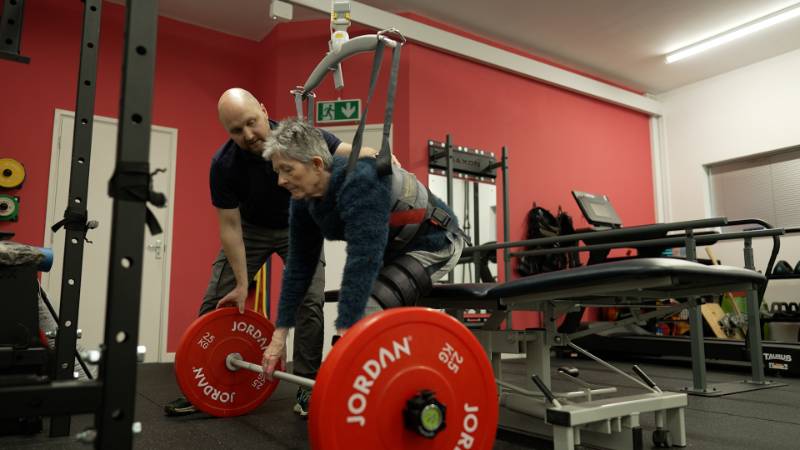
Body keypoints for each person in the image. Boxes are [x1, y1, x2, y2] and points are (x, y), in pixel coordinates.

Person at [165, 88, 376, 418]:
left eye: (251, 122)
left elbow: (343, 151)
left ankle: (307, 385)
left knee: (309, 301)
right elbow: (230, 227)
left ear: (264, 111)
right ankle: (202, 384)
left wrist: (377, 157)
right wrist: (240, 282)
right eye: (236, 130)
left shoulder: (299, 137)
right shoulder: (224, 165)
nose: (248, 135)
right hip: (250, 231)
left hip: (299, 228)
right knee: (216, 299)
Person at [260, 118, 467, 385]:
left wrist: (348, 331)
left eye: (287, 169)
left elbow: (363, 259)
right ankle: (369, 390)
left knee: (363, 318)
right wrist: (279, 335)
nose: (280, 180)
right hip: (393, 250)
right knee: (357, 327)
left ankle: (389, 393)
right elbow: (299, 268)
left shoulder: (361, 182)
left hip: (435, 242)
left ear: (316, 164)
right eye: (278, 171)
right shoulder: (303, 202)